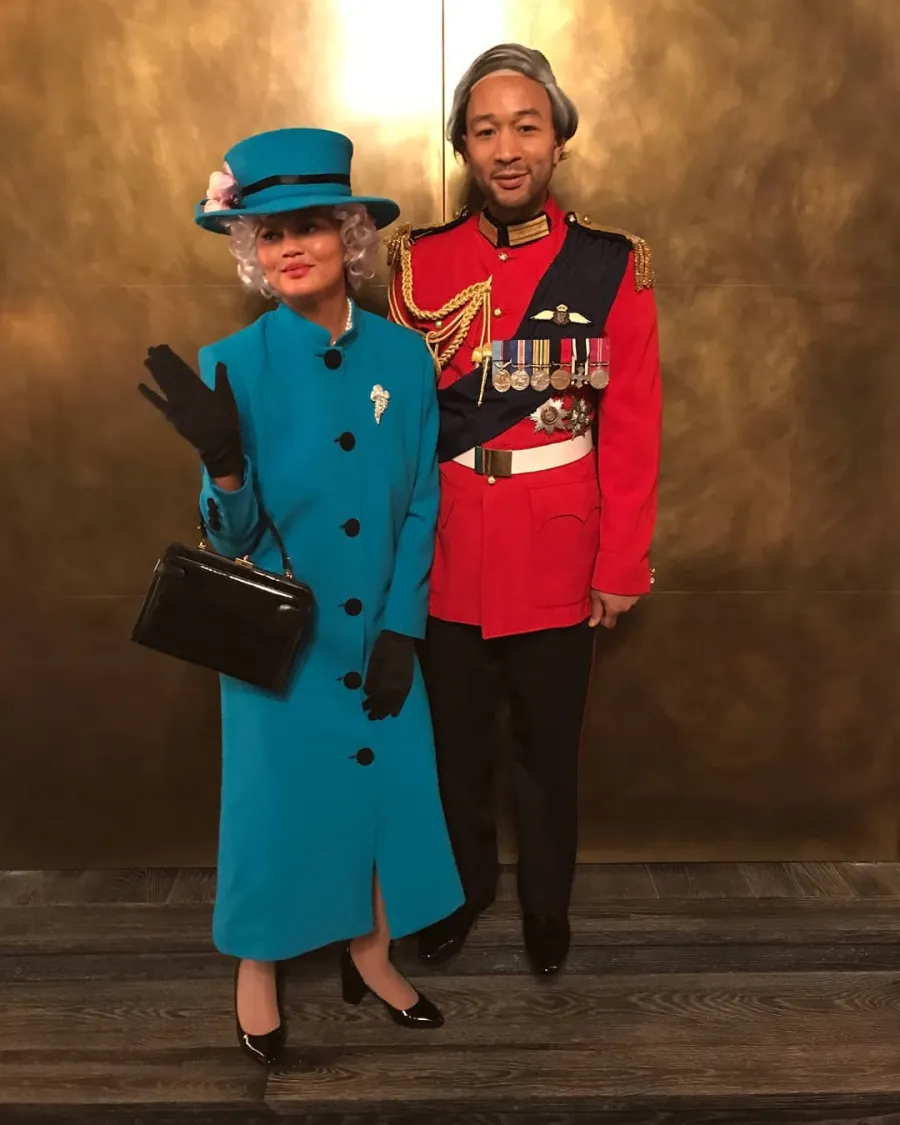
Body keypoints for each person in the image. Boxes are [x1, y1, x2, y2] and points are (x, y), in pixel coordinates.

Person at [137, 127, 464, 1066]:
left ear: (350, 237)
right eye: (269, 232)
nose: (289, 248)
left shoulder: (405, 360)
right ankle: (258, 966)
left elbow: (421, 503)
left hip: (379, 634)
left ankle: (371, 951)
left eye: (311, 226)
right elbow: (229, 540)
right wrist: (224, 463)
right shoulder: (231, 361)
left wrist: (404, 624)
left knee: (384, 793)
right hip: (280, 637)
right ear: (250, 249)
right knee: (274, 805)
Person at [388, 44, 661, 975]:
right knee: (453, 749)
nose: (507, 147)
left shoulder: (610, 267)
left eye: (526, 126)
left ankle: (549, 908)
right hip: (450, 542)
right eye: (485, 128)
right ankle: (461, 893)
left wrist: (620, 562)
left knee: (548, 753)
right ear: (464, 145)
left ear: (558, 140)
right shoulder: (416, 263)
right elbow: (393, 420)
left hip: (557, 543)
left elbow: (631, 425)